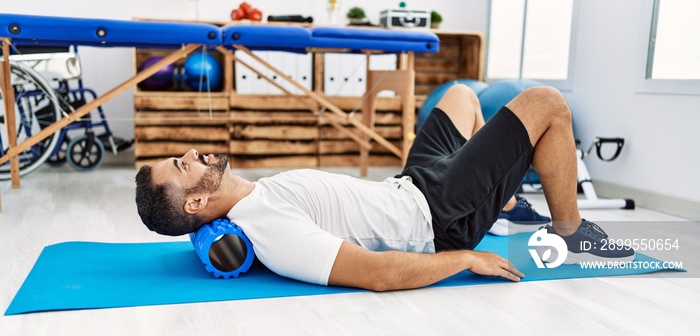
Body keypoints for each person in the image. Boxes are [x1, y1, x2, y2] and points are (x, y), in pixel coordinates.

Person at [135, 85, 634, 291]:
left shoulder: (248, 203)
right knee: (547, 103)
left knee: (460, 93)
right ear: (197, 201)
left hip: (410, 184)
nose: (195, 152)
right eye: (184, 164)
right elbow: (376, 273)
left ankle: (501, 200)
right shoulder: (268, 228)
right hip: (437, 215)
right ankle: (570, 232)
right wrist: (462, 258)